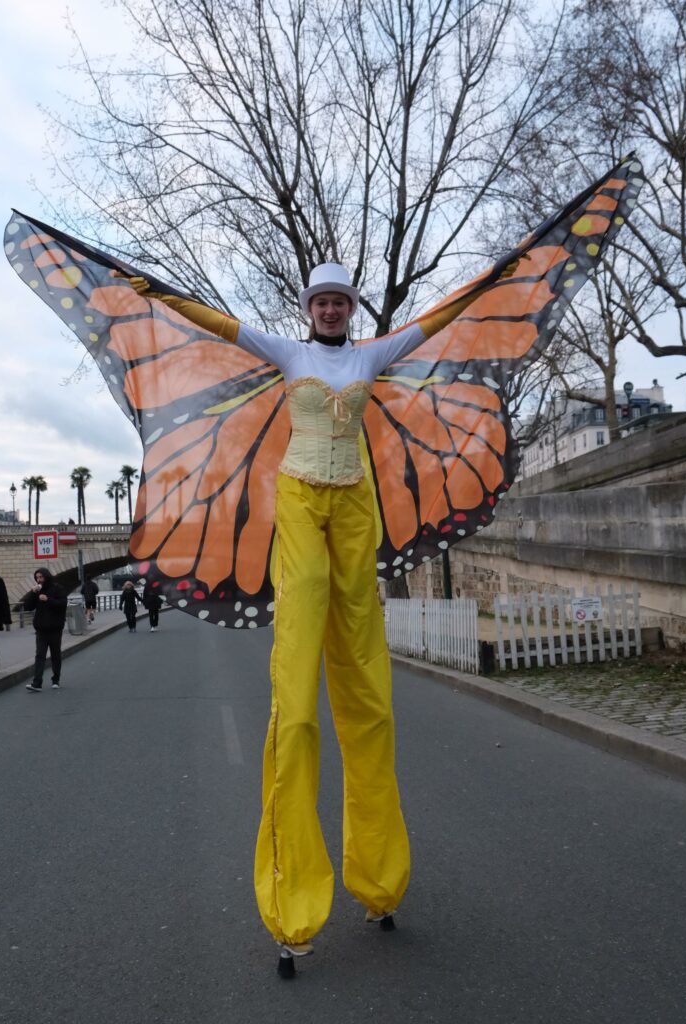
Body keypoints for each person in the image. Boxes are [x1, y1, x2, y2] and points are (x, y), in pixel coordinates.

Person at [122, 259, 504, 976]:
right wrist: (158, 293)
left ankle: (380, 879)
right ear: (308, 308)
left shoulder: (370, 354)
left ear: (350, 308)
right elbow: (220, 324)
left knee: (366, 688)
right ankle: (291, 902)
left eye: (339, 301)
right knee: (297, 704)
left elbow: (435, 321)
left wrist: (494, 278)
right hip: (299, 502)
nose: (330, 310)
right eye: (321, 301)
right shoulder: (288, 352)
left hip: (355, 507)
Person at [22, 567, 68, 691]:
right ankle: (37, 683)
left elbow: (63, 604)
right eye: (37, 577)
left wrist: (48, 600)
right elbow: (27, 607)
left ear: (46, 576)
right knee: (39, 656)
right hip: (41, 628)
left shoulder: (57, 588)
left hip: (55, 628)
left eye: (41, 577)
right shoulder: (37, 591)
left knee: (55, 655)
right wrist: (32, 593)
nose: (39, 580)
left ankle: (55, 680)